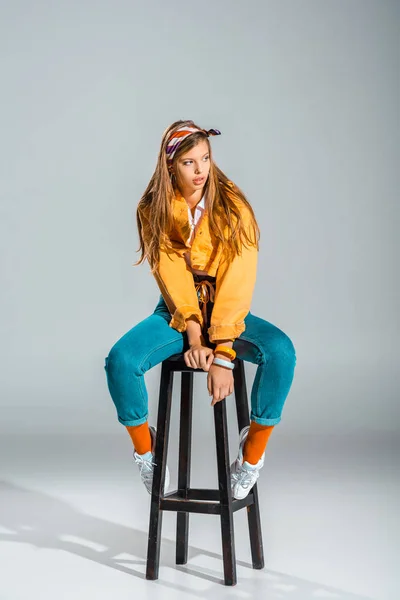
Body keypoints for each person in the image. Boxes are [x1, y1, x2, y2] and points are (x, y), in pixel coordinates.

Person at [104, 119, 297, 500]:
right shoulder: (153, 208)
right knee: (120, 361)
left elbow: (237, 281)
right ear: (170, 165)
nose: (200, 170)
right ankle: (148, 452)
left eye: (205, 159)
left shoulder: (233, 205)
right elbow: (171, 274)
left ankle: (251, 454)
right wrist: (193, 330)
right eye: (189, 162)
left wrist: (223, 353)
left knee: (282, 352)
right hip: (177, 309)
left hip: (228, 307)